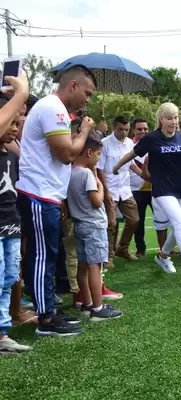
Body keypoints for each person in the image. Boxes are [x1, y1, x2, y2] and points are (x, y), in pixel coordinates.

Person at [17, 66, 96, 336]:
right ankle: (46, 320)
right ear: (72, 85)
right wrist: (84, 131)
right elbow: (67, 155)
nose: (88, 100)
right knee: (42, 256)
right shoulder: (54, 108)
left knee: (48, 255)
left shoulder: (54, 109)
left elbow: (61, 152)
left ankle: (48, 309)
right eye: (87, 93)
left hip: (46, 194)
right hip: (38, 193)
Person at [111, 102, 181, 288]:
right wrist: (117, 167)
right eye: (169, 118)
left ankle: (163, 256)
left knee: (180, 226)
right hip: (162, 190)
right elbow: (132, 154)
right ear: (161, 119)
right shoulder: (152, 138)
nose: (173, 121)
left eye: (176, 117)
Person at [68, 135, 123, 321]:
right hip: (94, 225)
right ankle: (98, 309)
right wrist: (100, 186)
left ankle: (87, 303)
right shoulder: (86, 174)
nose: (99, 158)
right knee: (95, 266)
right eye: (98, 154)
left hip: (79, 224)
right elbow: (96, 201)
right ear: (89, 152)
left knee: (82, 266)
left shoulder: (71, 172)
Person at [0, 107, 32, 353]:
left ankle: (2, 333)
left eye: (17, 124)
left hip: (12, 226)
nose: (14, 129)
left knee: (10, 278)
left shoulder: (12, 157)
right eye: (11, 123)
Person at [97, 116, 141, 264]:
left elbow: (131, 163)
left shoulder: (130, 143)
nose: (124, 133)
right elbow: (100, 169)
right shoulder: (104, 144)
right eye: (121, 129)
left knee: (134, 219)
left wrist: (143, 174)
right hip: (110, 188)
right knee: (111, 224)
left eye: (127, 130)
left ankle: (122, 248)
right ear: (113, 127)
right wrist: (106, 191)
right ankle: (108, 256)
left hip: (125, 189)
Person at [130, 118, 151, 258]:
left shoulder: (154, 144)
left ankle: (165, 247)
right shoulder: (128, 146)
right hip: (136, 189)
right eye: (139, 129)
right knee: (139, 221)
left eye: (145, 129)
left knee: (162, 219)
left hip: (154, 189)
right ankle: (140, 248)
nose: (143, 132)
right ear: (133, 130)